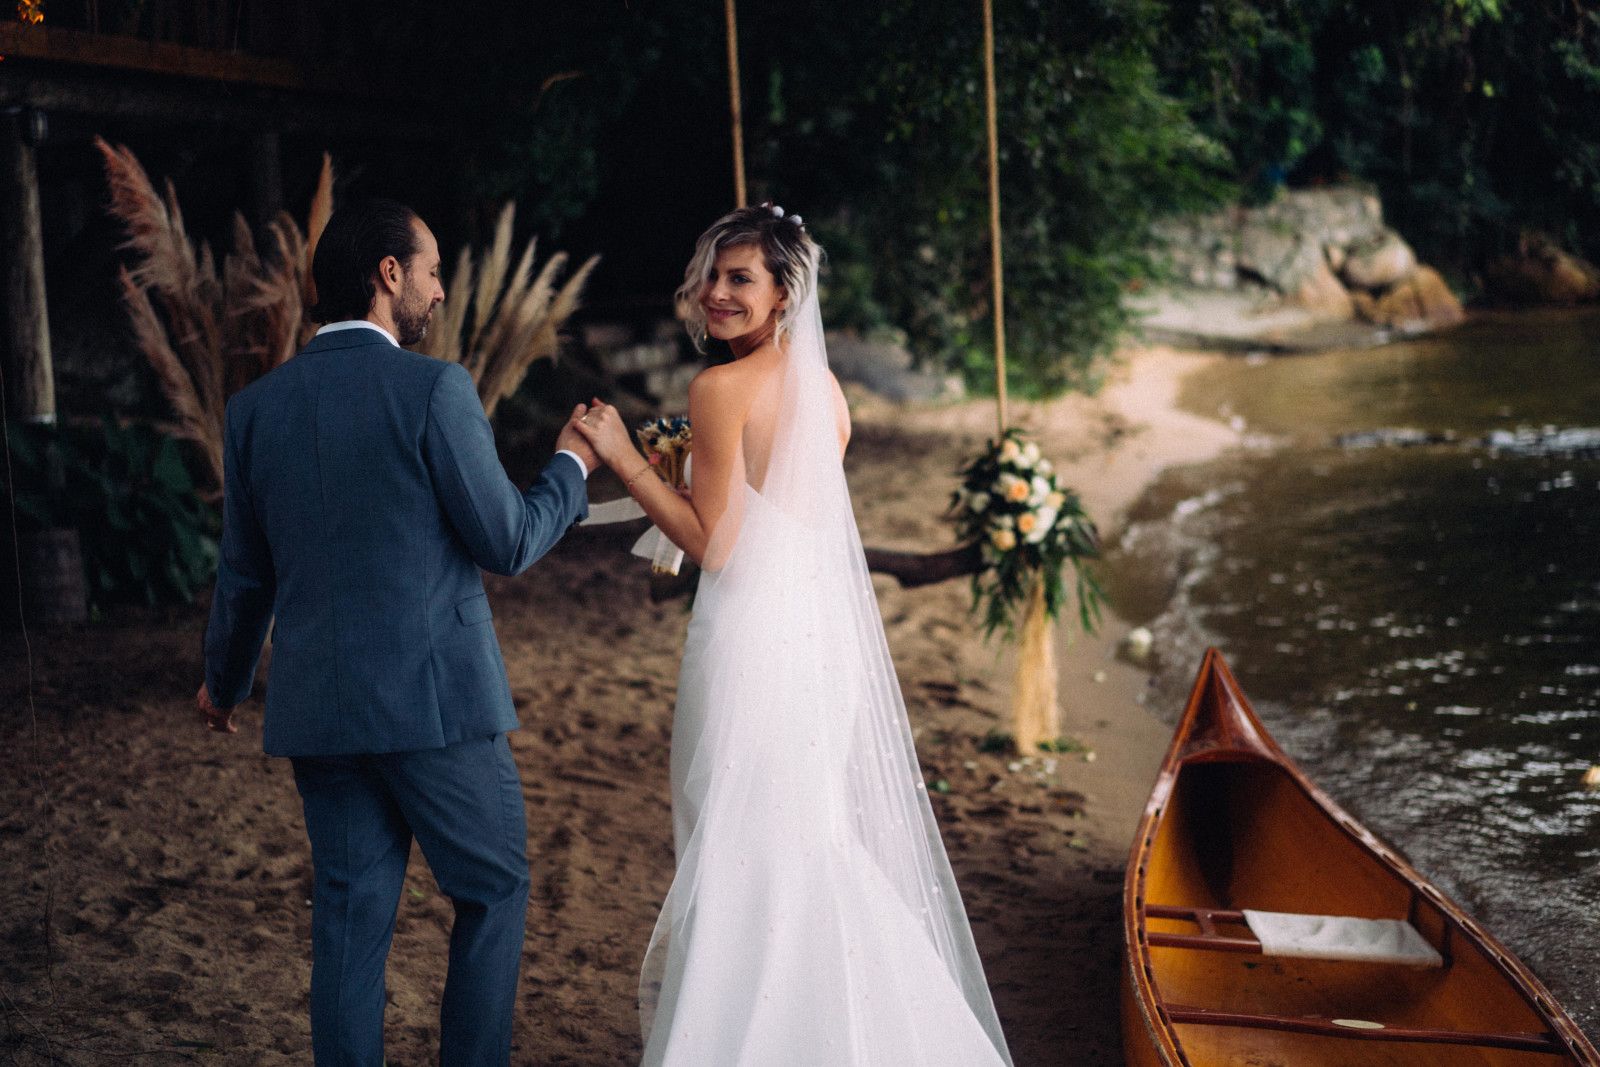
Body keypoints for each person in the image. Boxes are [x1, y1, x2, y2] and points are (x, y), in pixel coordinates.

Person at [574, 204, 1014, 1066]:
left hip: (748, 641)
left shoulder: (717, 389)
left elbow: (720, 543)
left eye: (741, 278)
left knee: (739, 842)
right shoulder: (826, 390)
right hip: (817, 640)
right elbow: (787, 514)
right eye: (712, 275)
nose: (717, 293)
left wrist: (623, 457)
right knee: (806, 839)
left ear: (784, 294)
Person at [194, 198, 597, 1065]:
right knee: (492, 889)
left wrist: (220, 685)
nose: (442, 292)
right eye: (432, 270)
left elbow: (245, 574)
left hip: (321, 715)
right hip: (436, 709)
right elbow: (509, 540)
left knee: (348, 920)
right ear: (388, 275)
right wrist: (572, 464)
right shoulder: (434, 389)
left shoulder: (256, 409)